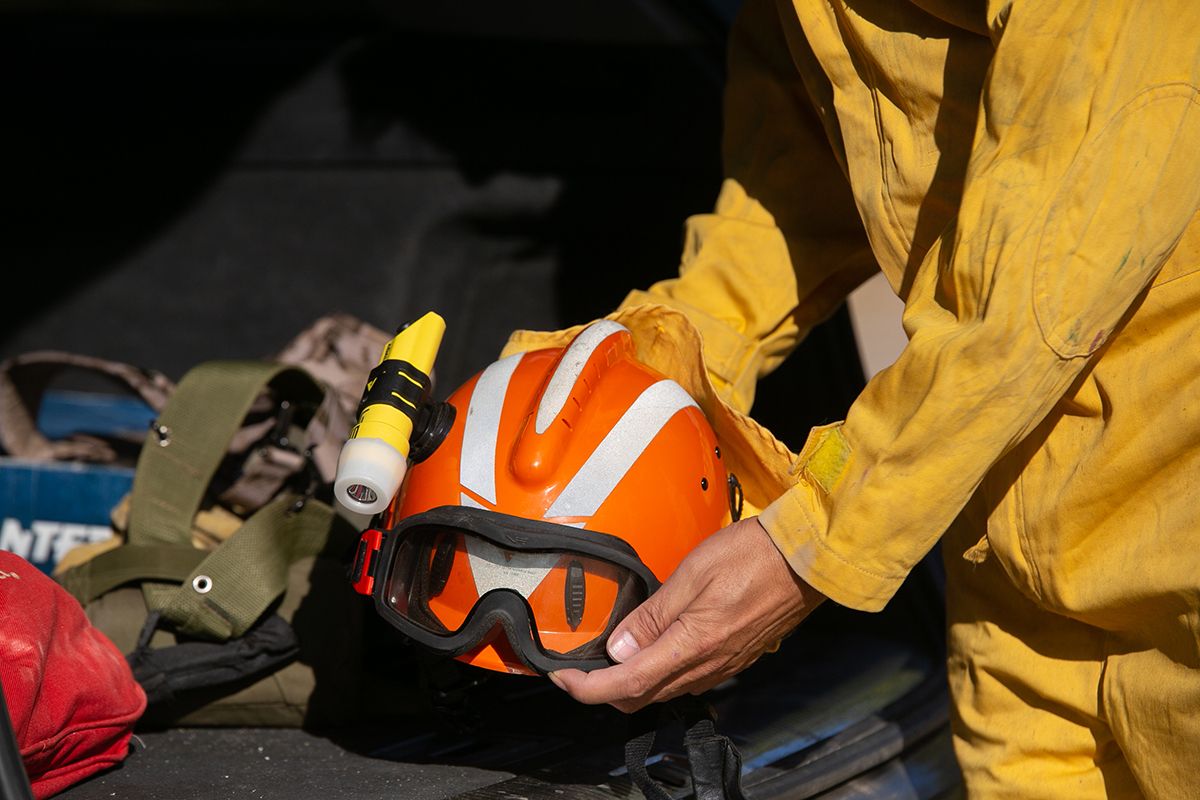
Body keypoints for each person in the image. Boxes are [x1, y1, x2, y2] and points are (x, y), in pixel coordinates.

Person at [506, 1, 1200, 797]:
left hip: (1175, 526)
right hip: (998, 548)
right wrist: (627, 368)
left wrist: (807, 536)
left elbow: (1038, 288)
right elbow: (795, 180)